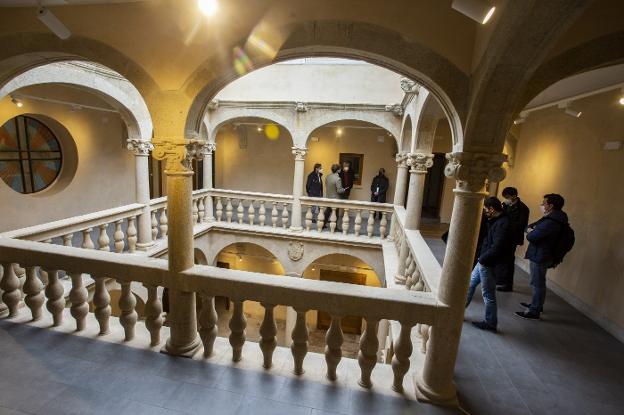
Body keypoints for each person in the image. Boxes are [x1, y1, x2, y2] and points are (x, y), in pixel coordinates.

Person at [516, 193, 568, 320]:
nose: (542, 205)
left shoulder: (551, 221)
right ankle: (536, 304)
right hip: (541, 253)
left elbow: (531, 236)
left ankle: (534, 310)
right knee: (538, 282)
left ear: (550, 206)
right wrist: (531, 229)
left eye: (544, 203)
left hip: (541, 255)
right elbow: (532, 227)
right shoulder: (553, 218)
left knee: (537, 283)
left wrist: (530, 231)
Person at [465, 197, 513, 332]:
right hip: (484, 260)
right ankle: (458, 311)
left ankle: (491, 323)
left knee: (488, 294)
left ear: (492, 209)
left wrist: (483, 259)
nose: (484, 212)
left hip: (488, 263)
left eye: (485, 209)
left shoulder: (502, 224)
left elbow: (497, 246)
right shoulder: (496, 220)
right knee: (469, 284)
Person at [496, 187, 530, 292]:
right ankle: (500, 280)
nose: (506, 199)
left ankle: (507, 284)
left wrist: (506, 223)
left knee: (508, 260)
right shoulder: (505, 205)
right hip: (503, 235)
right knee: (500, 258)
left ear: (514, 196)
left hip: (512, 238)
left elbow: (521, 225)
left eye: (507, 197)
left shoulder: (523, 208)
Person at [324, 164, 345, 230]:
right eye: (340, 169)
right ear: (338, 170)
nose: (341, 170)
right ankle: (334, 227)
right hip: (335, 198)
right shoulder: (338, 178)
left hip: (328, 196)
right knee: (335, 214)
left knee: (327, 211)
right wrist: (343, 190)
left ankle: (323, 224)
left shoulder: (328, 176)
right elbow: (339, 190)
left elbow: (326, 185)